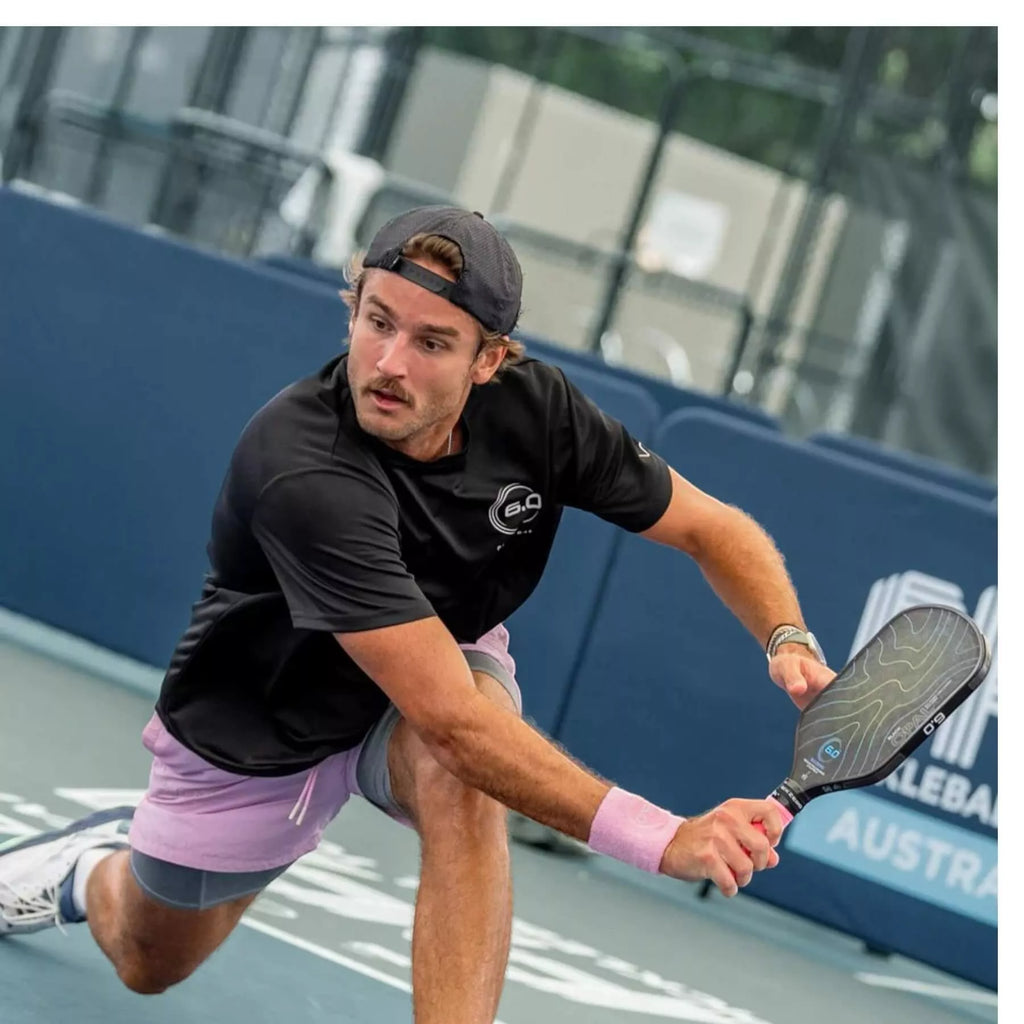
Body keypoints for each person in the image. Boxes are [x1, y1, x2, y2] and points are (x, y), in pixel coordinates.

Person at [0, 206, 835, 1022]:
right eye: (377, 322)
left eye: (432, 342)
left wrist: (785, 636)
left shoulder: (538, 411)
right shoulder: (302, 467)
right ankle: (87, 870)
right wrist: (665, 838)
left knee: (464, 786)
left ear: (489, 361)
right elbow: (455, 722)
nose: (390, 363)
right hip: (262, 711)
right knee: (150, 959)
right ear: (353, 307)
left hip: (438, 668)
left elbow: (710, 528)